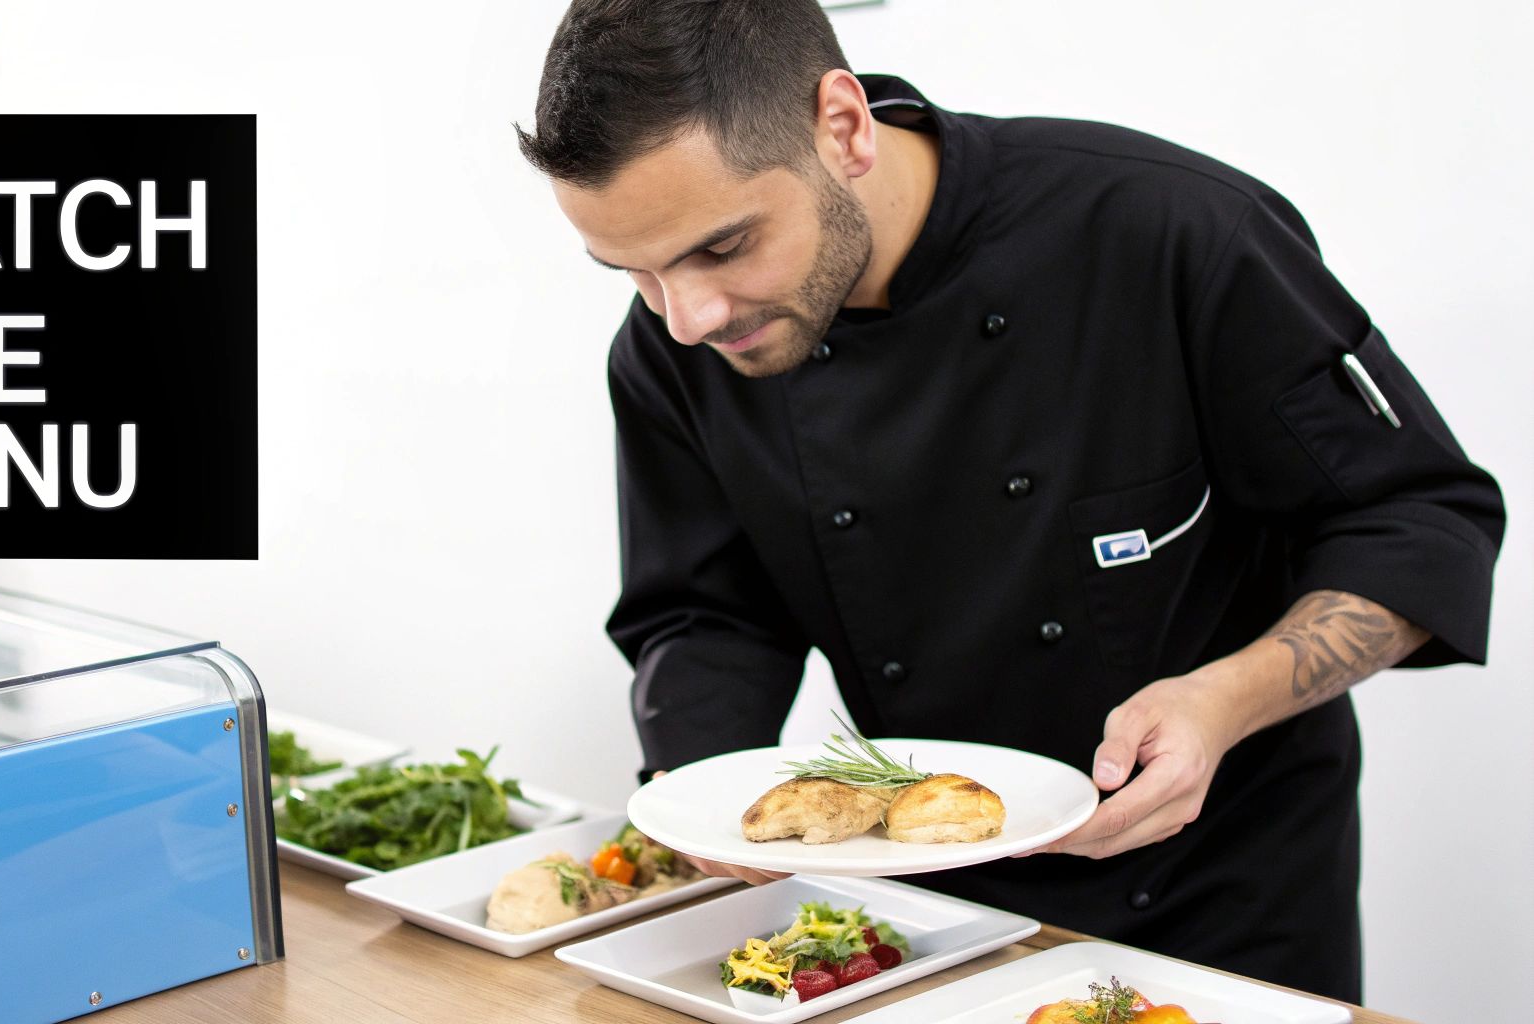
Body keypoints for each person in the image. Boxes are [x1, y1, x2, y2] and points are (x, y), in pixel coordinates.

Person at [516, 0, 1505, 1003]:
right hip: (923, 913)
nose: (685, 318)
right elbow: (705, 612)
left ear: (842, 127)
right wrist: (701, 791)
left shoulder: (1165, 231)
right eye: (630, 272)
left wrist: (1222, 700)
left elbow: (1416, 521)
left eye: (721, 248)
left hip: (1215, 899)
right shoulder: (675, 350)